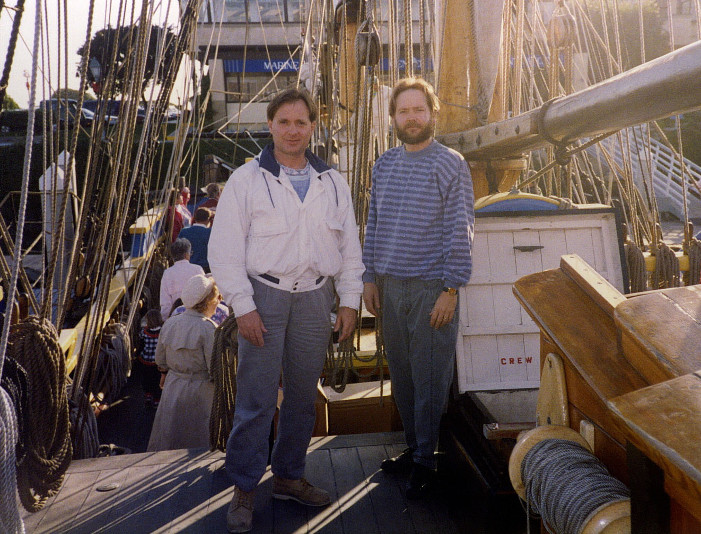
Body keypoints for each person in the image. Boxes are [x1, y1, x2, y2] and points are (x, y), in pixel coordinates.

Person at [209, 88, 364, 533]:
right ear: (270, 125)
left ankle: (289, 476)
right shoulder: (246, 180)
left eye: (301, 123)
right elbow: (224, 251)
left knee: (301, 397)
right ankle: (243, 486)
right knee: (256, 398)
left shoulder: (332, 182)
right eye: (284, 122)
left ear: (313, 127)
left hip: (316, 298)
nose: (293, 131)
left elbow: (349, 250)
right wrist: (243, 306)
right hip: (263, 297)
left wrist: (349, 301)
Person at [362, 77, 475, 499]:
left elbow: (460, 229)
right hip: (390, 287)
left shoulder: (451, 163)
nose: (412, 118)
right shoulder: (384, 165)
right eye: (404, 111)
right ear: (394, 118)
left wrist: (451, 289)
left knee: (430, 379)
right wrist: (369, 276)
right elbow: (374, 225)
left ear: (432, 113)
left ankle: (427, 462)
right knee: (405, 379)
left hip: (432, 288)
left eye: (419, 110)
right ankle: (415, 450)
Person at [147, 274, 220, 451]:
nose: (218, 302)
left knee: (170, 437)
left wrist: (165, 374)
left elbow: (160, 360)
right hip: (200, 393)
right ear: (207, 301)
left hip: (173, 388)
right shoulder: (208, 328)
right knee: (198, 442)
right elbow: (215, 370)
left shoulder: (171, 323)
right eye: (217, 298)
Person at [159, 238, 204, 319]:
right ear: (186, 255)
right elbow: (205, 295)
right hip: (197, 316)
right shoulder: (198, 269)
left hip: (175, 318)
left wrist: (166, 320)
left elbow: (165, 303)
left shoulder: (167, 273)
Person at [137, 309, 164, 407]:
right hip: (157, 362)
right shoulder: (163, 332)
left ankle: (148, 395)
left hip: (145, 360)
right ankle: (157, 399)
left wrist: (136, 355)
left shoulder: (144, 332)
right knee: (157, 380)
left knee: (146, 379)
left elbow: (141, 346)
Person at [178, 207, 213, 272]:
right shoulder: (210, 233)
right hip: (205, 268)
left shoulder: (184, 232)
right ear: (208, 220)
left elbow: (178, 249)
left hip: (186, 268)